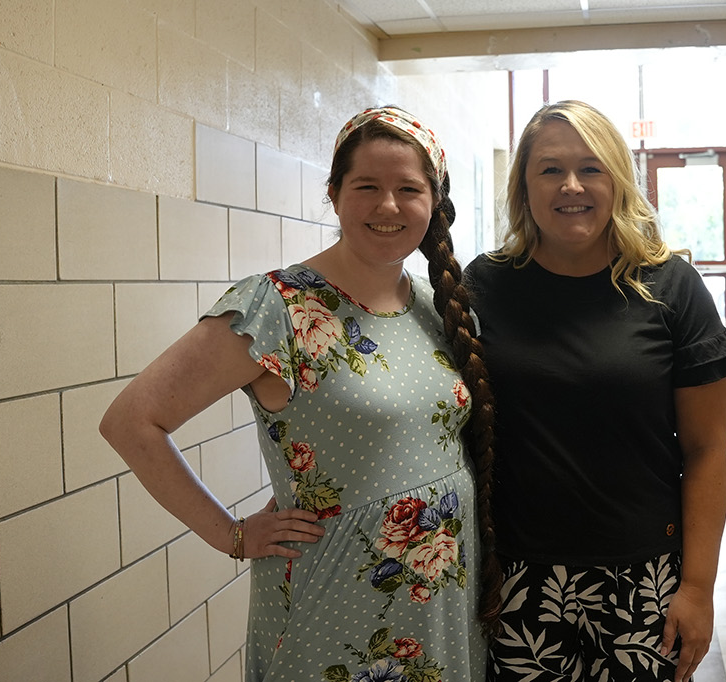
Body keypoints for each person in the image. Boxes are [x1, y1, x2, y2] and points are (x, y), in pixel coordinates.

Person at [100, 106, 500, 682]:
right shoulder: (278, 307)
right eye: (367, 186)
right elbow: (131, 421)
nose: (388, 206)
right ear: (334, 194)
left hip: (444, 602)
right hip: (335, 600)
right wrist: (231, 535)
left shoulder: (440, 308)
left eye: (408, 189)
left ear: (433, 203)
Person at [464, 100, 726, 682]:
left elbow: (707, 449)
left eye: (592, 168)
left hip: (643, 577)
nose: (572, 186)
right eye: (550, 169)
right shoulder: (484, 285)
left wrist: (698, 587)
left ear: (617, 180)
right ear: (523, 185)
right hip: (518, 576)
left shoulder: (670, 286)